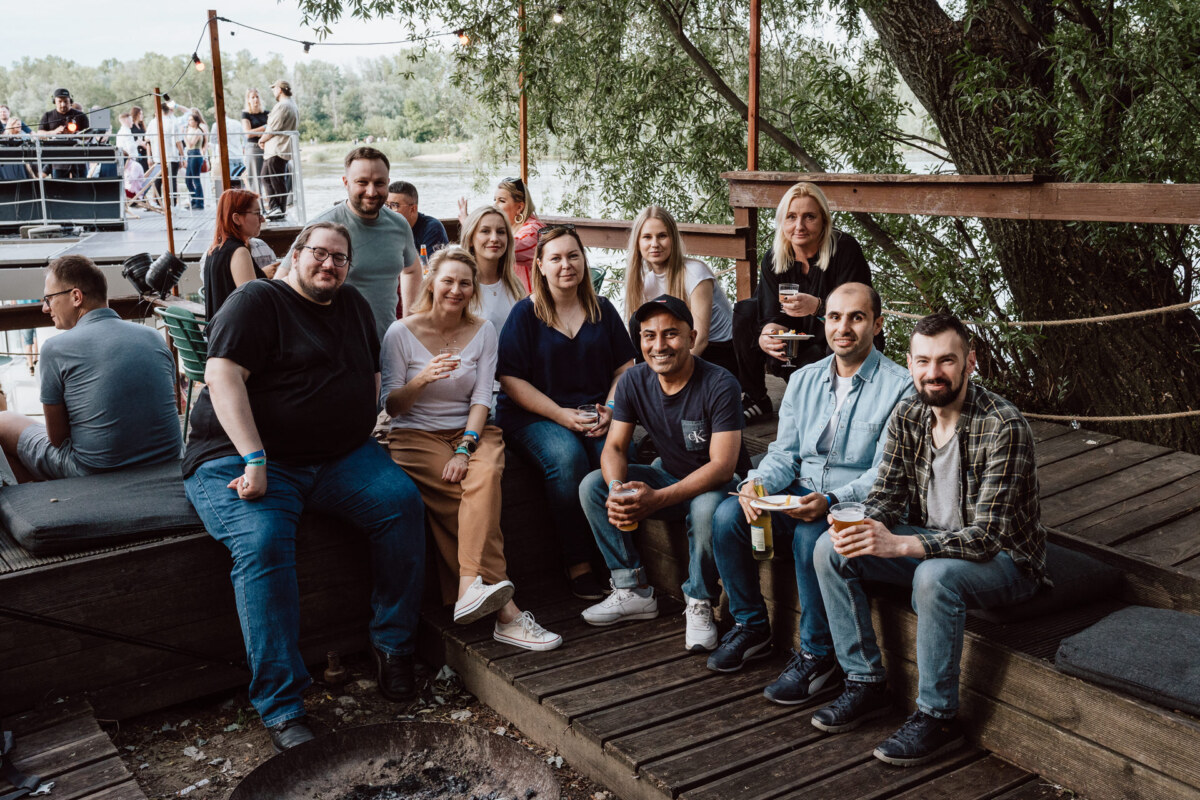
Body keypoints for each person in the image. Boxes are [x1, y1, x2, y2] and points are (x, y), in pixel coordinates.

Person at [181, 221, 426, 752]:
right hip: (243, 457)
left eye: (340, 259)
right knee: (263, 542)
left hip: (336, 460)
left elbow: (374, 381)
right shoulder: (257, 302)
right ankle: (282, 704)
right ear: (295, 255)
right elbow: (221, 376)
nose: (330, 265)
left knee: (402, 504)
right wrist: (254, 455)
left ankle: (393, 644)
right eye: (319, 254)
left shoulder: (355, 307)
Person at [811, 312, 1048, 767]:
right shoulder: (909, 413)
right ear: (910, 362)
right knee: (831, 549)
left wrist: (899, 545)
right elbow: (886, 496)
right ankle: (865, 684)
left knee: (933, 577)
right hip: (934, 540)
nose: (933, 373)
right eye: (923, 361)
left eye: (946, 361)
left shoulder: (1004, 426)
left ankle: (938, 717)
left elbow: (986, 538)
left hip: (1008, 561)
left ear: (969, 363)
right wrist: (861, 524)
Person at [707, 283, 912, 697]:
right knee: (728, 516)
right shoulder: (804, 379)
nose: (844, 327)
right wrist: (756, 483)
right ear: (824, 323)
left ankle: (819, 655)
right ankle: (751, 626)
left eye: (856, 317)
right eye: (835, 317)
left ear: (877, 323)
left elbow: (887, 474)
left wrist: (833, 501)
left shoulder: (900, 386)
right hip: (800, 492)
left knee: (809, 536)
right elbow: (785, 452)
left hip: (854, 505)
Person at [382, 247, 562, 650]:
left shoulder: (483, 331)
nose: (456, 289)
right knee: (457, 498)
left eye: (466, 282)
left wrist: (466, 447)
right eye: (448, 280)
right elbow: (391, 405)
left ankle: (467, 588)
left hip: (471, 431)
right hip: (415, 436)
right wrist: (423, 378)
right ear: (432, 282)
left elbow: (483, 397)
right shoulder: (401, 332)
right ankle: (507, 613)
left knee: (483, 477)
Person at [579, 294, 751, 651]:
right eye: (648, 336)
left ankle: (700, 600)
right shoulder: (633, 381)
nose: (659, 345)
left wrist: (656, 498)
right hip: (669, 478)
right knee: (592, 485)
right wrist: (616, 489)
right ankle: (632, 586)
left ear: (692, 337)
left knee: (706, 507)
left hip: (721, 490)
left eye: (671, 334)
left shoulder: (720, 383)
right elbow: (614, 447)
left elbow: (722, 467)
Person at [496, 225, 637, 599]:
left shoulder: (602, 309)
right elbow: (510, 379)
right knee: (566, 457)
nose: (566, 265)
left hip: (594, 410)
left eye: (573, 256)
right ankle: (578, 562)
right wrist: (561, 415)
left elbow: (625, 368)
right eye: (555, 258)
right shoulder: (525, 315)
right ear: (539, 265)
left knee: (617, 452)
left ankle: (623, 561)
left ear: (583, 261)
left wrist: (611, 408)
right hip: (536, 414)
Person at [0, 256, 181, 483]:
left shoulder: (56, 349)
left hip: (95, 470)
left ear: (76, 297)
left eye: (49, 298)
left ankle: (38, 501)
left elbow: (57, 439)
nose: (45, 308)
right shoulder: (154, 337)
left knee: (3, 420)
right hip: (167, 460)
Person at [732, 182, 879, 423]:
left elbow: (859, 312)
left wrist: (819, 306)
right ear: (782, 222)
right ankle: (756, 397)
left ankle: (838, 399)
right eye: (791, 217)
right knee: (745, 311)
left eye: (809, 217)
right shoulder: (774, 258)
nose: (799, 226)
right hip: (795, 341)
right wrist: (767, 334)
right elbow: (770, 315)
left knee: (813, 373)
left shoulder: (844, 249)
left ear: (823, 220)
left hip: (837, 340)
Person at [277, 147, 421, 343]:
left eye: (379, 183)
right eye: (362, 182)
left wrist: (409, 321)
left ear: (388, 183)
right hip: (337, 346)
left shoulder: (399, 224)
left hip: (388, 342)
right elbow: (282, 281)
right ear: (346, 183)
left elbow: (412, 269)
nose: (371, 191)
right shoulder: (323, 225)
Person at [623, 205, 737, 379]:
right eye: (647, 237)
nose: (655, 244)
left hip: (717, 353)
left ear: (673, 239)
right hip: (678, 347)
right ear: (638, 242)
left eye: (662, 236)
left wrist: (669, 376)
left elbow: (700, 339)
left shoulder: (695, 273)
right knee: (635, 323)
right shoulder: (646, 282)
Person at [459, 205, 527, 355]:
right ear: (470, 238)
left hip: (512, 373)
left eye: (501, 232)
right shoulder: (459, 288)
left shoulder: (516, 287)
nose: (494, 238)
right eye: (485, 231)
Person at [458, 177, 544, 292]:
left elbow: (511, 246)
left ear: (519, 207)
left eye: (501, 201)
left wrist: (470, 225)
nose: (495, 205)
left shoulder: (534, 230)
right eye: (495, 200)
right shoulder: (512, 227)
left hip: (532, 304)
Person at [204, 189, 266, 319]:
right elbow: (254, 304)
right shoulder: (239, 252)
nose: (263, 219)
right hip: (237, 336)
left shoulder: (214, 249)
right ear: (237, 218)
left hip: (218, 333)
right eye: (257, 213)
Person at [258, 80, 298, 217]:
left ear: (280, 89)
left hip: (277, 149)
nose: (273, 91)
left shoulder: (283, 106)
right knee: (266, 177)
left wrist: (262, 139)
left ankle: (279, 209)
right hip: (279, 149)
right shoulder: (292, 105)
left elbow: (273, 128)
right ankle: (275, 207)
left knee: (275, 179)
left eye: (274, 88)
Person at [388, 181, 449, 256]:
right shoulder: (387, 227)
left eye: (394, 205)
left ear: (413, 209)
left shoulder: (432, 229)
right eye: (386, 205)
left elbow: (429, 265)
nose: (388, 210)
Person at [241, 88, 269, 195]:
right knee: (254, 179)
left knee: (267, 176)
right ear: (248, 100)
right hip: (253, 148)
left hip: (267, 146)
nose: (255, 99)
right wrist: (264, 127)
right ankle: (257, 207)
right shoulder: (246, 114)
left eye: (257, 97)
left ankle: (271, 205)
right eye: (252, 97)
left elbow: (272, 129)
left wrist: (257, 132)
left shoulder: (266, 113)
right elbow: (248, 133)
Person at [183, 110, 208, 210]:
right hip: (190, 155)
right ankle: (194, 199)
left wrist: (184, 135)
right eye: (188, 120)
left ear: (196, 121)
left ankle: (200, 203)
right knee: (188, 180)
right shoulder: (191, 130)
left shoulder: (198, 131)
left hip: (195, 154)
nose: (189, 122)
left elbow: (190, 144)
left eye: (191, 120)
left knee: (195, 179)